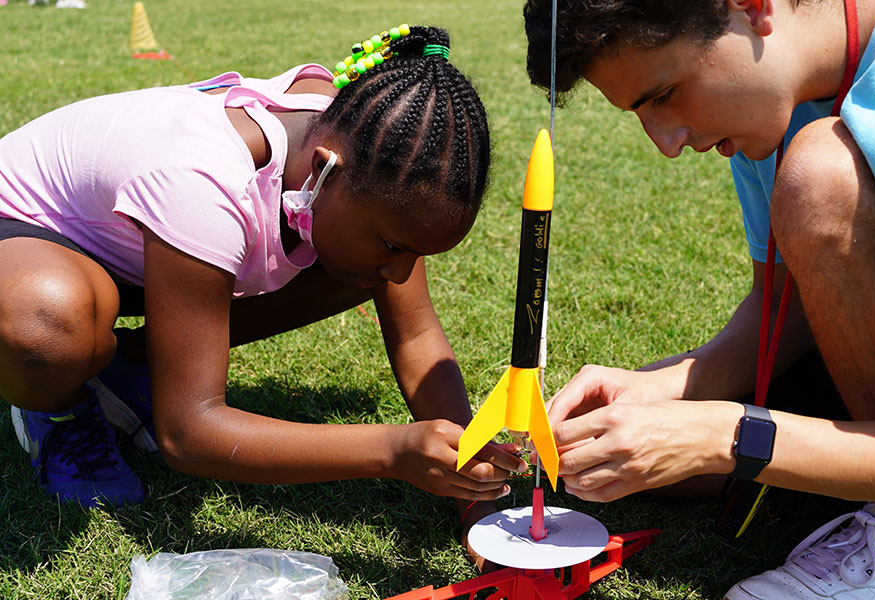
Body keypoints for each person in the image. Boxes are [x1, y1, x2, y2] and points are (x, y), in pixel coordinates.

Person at [0, 24, 527, 535]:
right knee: (47, 330)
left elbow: (415, 336)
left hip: (131, 248)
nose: (403, 272)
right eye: (395, 246)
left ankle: (127, 366)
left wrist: (475, 487)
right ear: (325, 169)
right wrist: (393, 450)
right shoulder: (205, 183)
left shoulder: (365, 145)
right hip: (28, 234)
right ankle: (58, 412)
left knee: (357, 268)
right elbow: (189, 433)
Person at [523, 0, 875, 597]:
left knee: (819, 177)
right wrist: (667, 387)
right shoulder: (770, 112)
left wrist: (726, 435)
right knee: (640, 468)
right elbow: (786, 304)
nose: (667, 144)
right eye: (639, 113)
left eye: (665, 93)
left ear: (751, 9)